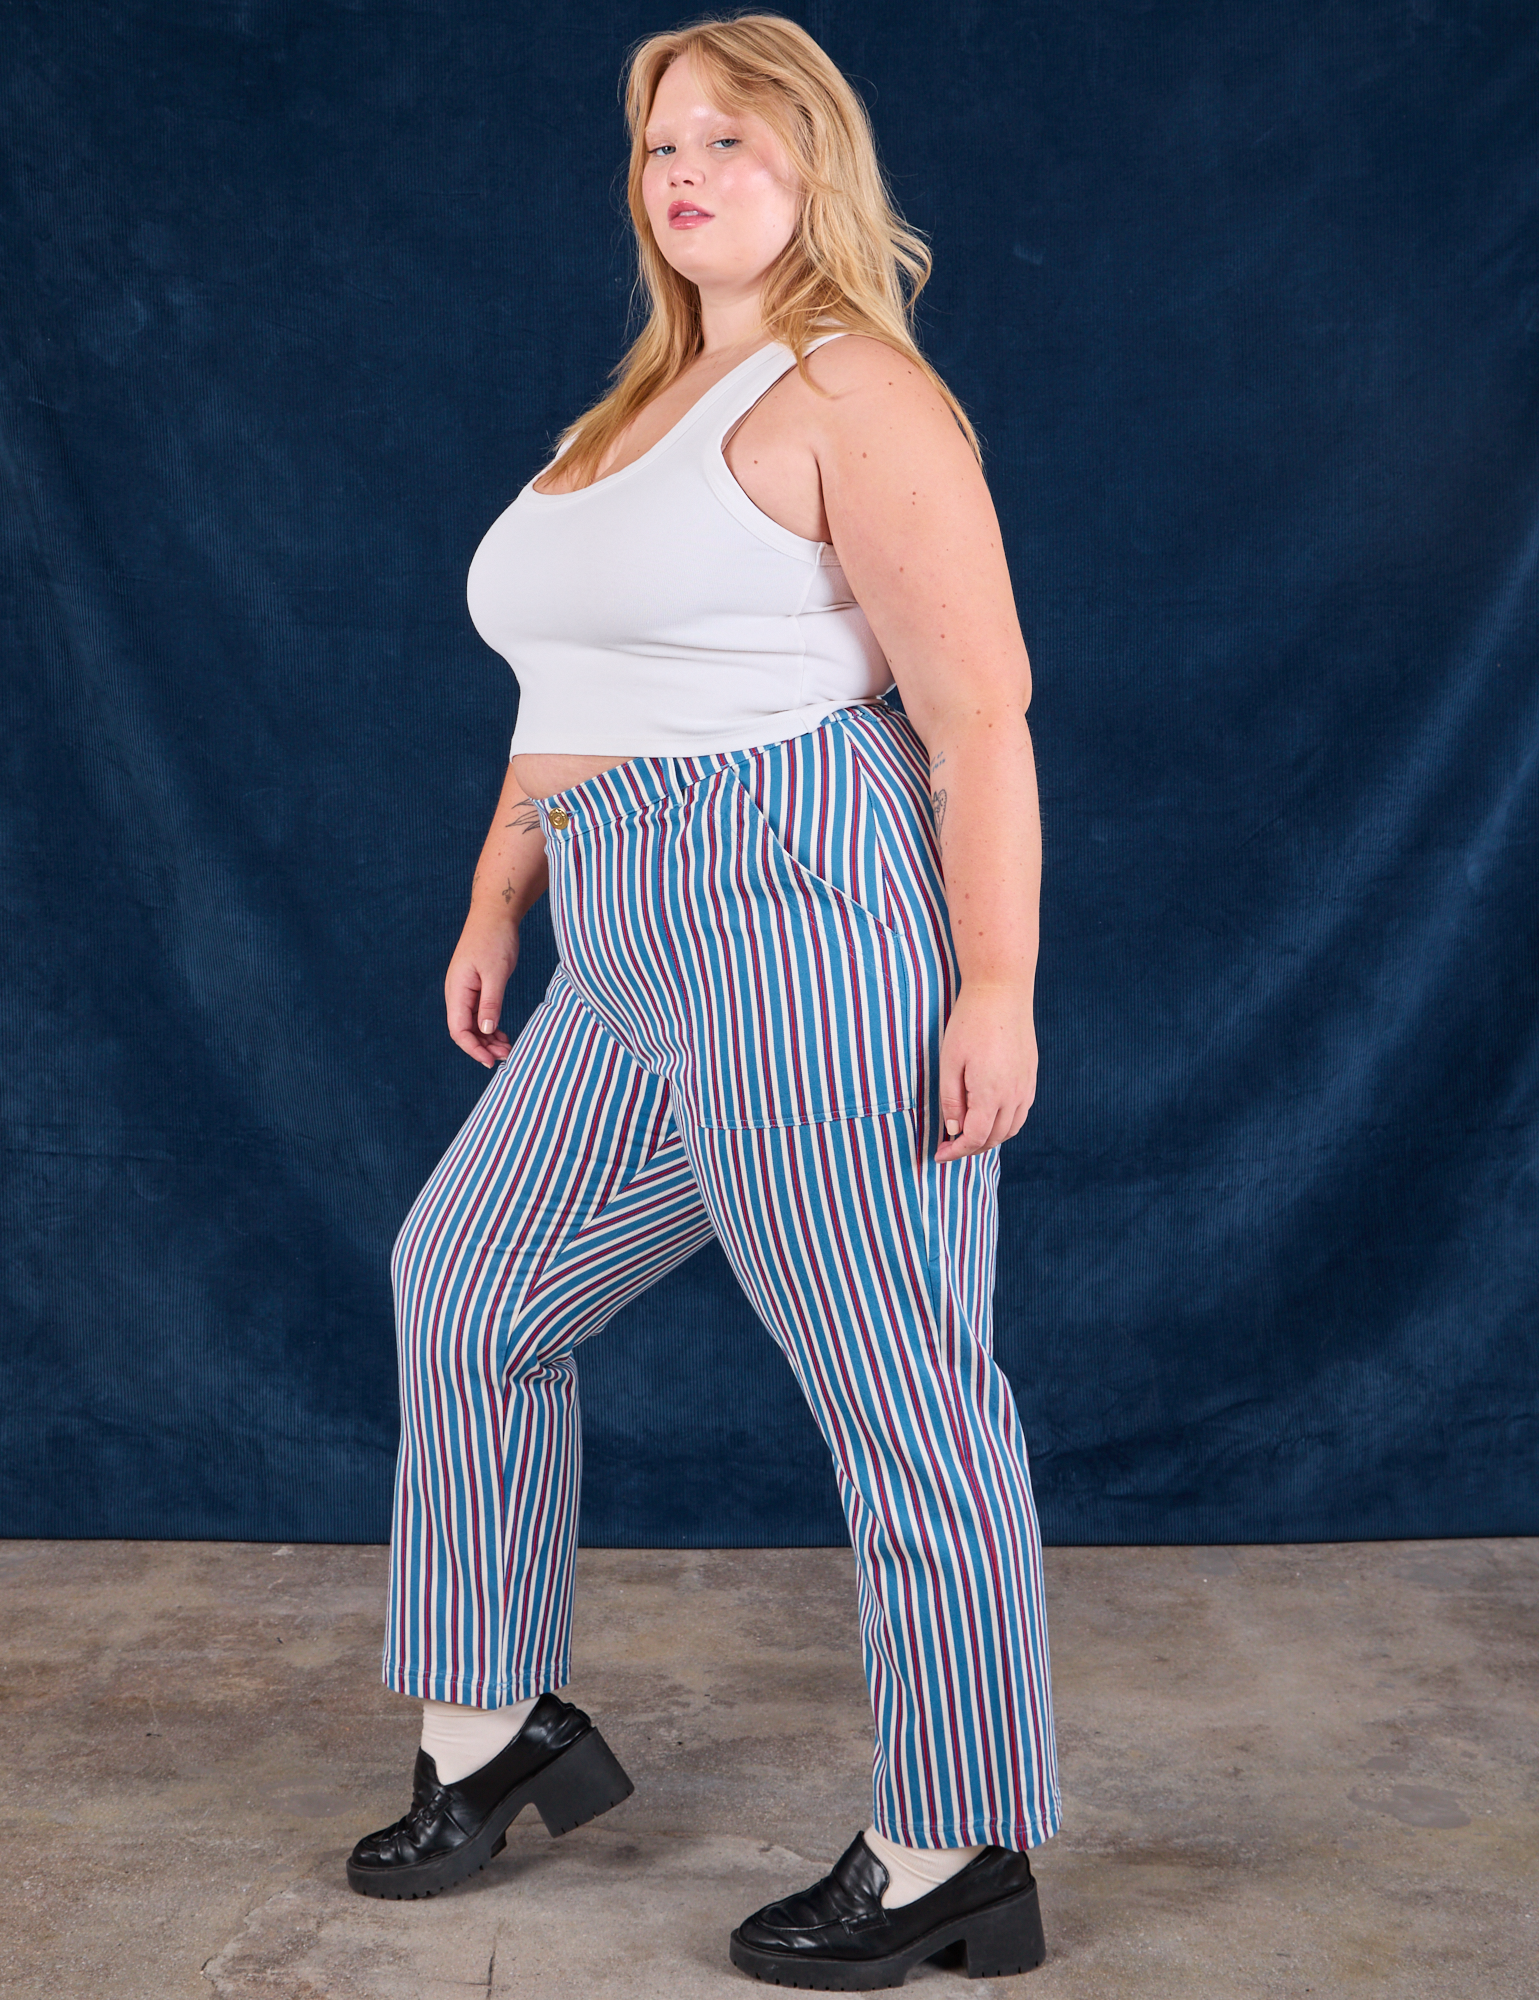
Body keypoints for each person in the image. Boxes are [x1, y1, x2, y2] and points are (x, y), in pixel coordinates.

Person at [346, 12, 1060, 1986]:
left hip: (804, 903)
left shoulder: (858, 394)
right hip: (626, 919)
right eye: (659, 143)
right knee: (466, 1286)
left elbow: (976, 708)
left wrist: (990, 978)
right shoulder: (630, 415)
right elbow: (572, 696)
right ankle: (491, 1732)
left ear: (811, 166)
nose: (681, 172)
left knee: (900, 1387)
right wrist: (503, 892)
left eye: (727, 139)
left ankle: (953, 1843)